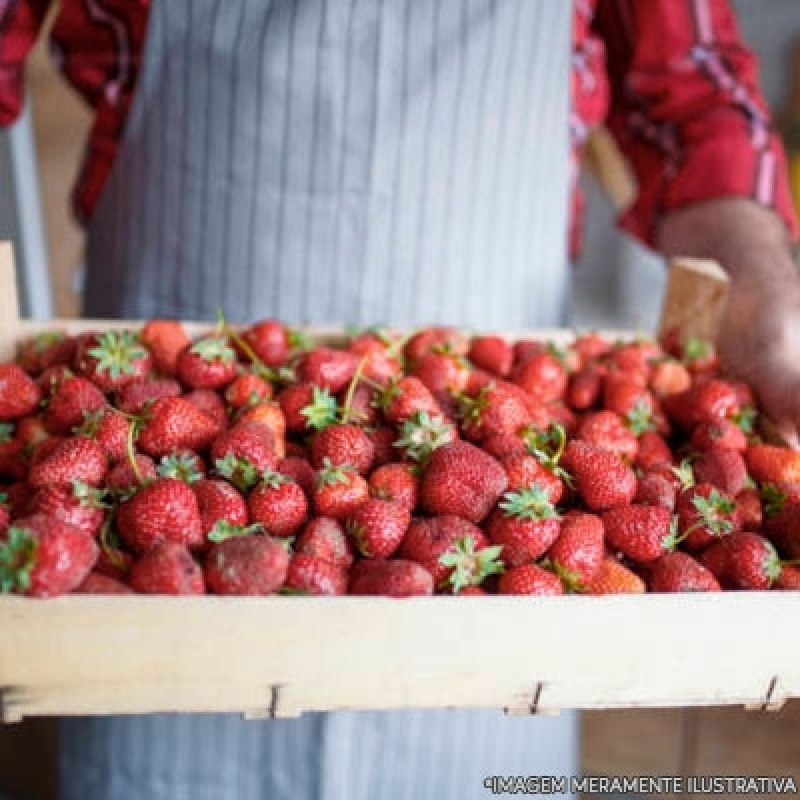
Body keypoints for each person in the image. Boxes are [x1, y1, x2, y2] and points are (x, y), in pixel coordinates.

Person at [1, 1, 799, 799]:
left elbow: (693, 89)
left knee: (474, 729)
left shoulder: (533, 506)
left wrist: (763, 286)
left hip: (491, 418)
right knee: (158, 709)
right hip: (182, 356)